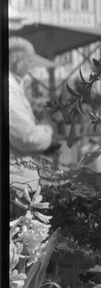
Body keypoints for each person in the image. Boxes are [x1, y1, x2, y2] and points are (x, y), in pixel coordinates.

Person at [9, 37, 60, 197]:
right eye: (29, 61)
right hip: (17, 182)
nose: (30, 65)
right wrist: (47, 129)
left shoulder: (14, 85)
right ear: (18, 62)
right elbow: (26, 137)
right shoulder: (9, 88)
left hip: (19, 178)